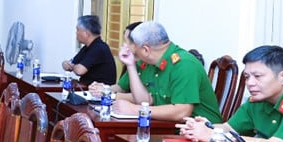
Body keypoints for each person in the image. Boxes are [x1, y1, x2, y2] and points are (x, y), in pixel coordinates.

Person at [179, 45, 283, 142]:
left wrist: (215, 136)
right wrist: (203, 127)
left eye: (258, 76)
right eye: (247, 77)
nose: (250, 83)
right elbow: (228, 128)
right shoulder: (258, 99)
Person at [90, 21, 221, 123]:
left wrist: (135, 110)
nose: (131, 50)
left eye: (134, 47)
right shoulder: (148, 62)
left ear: (146, 49)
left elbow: (181, 112)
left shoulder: (184, 65)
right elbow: (145, 101)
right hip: (163, 127)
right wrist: (130, 65)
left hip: (199, 137)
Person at [62, 15, 116, 85]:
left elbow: (79, 71)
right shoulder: (87, 47)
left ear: (86, 33)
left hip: (99, 92)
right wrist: (66, 64)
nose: (76, 33)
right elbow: (70, 63)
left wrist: (72, 66)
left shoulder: (99, 48)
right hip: (87, 88)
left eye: (78, 30)